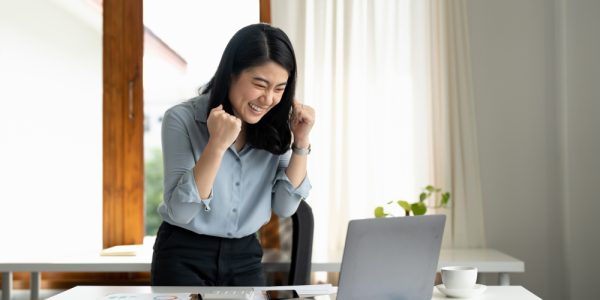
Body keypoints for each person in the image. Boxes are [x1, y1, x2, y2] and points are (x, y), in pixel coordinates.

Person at [150, 23, 315, 287]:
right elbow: (181, 212)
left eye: (280, 88)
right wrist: (217, 144)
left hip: (245, 257)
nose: (268, 99)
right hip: (183, 255)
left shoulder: (276, 126)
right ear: (230, 74)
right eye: (260, 84)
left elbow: (285, 207)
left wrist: (301, 141)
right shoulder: (182, 119)